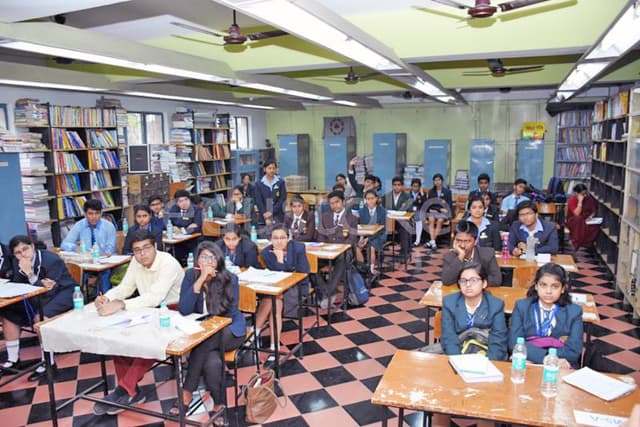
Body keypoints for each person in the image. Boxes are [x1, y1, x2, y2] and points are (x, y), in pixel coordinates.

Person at [92, 230, 184, 416]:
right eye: (137, 250)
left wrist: (122, 304)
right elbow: (126, 287)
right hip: (147, 310)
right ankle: (131, 390)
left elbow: (155, 296)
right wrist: (107, 298)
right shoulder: (136, 261)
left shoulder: (168, 263)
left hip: (174, 312)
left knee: (150, 342)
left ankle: (124, 389)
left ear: (155, 247)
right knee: (117, 338)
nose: (142, 254)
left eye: (146, 248)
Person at [174, 242, 245, 421]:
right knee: (212, 361)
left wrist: (212, 283)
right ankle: (219, 403)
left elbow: (228, 313)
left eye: (212, 257)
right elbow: (184, 309)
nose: (207, 261)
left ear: (219, 260)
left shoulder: (230, 278)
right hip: (204, 333)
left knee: (205, 342)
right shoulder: (190, 276)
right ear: (197, 260)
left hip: (229, 329)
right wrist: (200, 281)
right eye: (203, 257)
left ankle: (187, 390)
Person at [0, 235, 75, 381]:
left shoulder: (51, 259)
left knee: (40, 317)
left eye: (25, 249)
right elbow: (20, 285)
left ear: (33, 247)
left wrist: (30, 274)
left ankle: (48, 362)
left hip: (63, 293)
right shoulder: (16, 263)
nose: (23, 255)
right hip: (38, 297)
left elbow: (51, 291)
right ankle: (13, 359)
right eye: (18, 252)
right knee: (9, 314)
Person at [509, 263, 583, 368]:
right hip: (528, 362)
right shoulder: (522, 307)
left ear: (563, 289)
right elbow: (514, 343)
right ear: (536, 286)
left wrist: (548, 359)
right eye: (543, 285)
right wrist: (544, 358)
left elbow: (574, 351)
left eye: (555, 286)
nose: (548, 291)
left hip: (561, 365)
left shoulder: (574, 312)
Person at [256, 225, 310, 365]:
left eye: (282, 238)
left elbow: (304, 273)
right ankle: (274, 346)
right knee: (275, 299)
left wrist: (280, 261)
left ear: (288, 238)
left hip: (296, 288)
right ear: (270, 239)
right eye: (275, 238)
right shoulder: (266, 253)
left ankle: (254, 333)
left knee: (273, 298)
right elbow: (276, 278)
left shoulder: (298, 248)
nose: (279, 241)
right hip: (277, 291)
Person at [440, 262, 508, 361]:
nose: (468, 285)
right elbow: (448, 337)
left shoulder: (495, 305)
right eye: (463, 281)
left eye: (473, 280)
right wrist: (459, 361)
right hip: (457, 354)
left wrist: (487, 364)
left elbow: (498, 341)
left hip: (486, 355)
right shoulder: (449, 302)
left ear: (484, 283)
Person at [60, 198, 116, 292]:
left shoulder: (109, 226)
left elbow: (109, 250)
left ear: (101, 213)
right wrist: (75, 248)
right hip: (86, 263)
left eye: (97, 213)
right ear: (85, 214)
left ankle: (103, 297)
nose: (94, 217)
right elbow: (64, 244)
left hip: (105, 263)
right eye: (90, 214)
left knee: (104, 273)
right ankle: (81, 296)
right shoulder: (79, 225)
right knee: (76, 272)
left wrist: (97, 255)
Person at [316, 191, 358, 307]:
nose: (335, 205)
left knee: (342, 258)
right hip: (327, 252)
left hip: (344, 252)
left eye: (337, 202)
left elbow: (351, 240)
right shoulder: (325, 217)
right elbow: (320, 237)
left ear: (343, 202)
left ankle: (328, 293)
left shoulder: (352, 218)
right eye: (332, 203)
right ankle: (327, 291)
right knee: (308, 263)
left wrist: (337, 248)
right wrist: (326, 248)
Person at [441, 222, 502, 286]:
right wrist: (460, 256)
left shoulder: (487, 254)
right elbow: (446, 281)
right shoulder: (449, 257)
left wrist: (471, 281)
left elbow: (497, 280)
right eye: (458, 240)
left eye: (467, 241)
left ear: (475, 241)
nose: (462, 245)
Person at [168, 189, 203, 264]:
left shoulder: (196, 209)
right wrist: (174, 227)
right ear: (177, 203)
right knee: (171, 256)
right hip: (178, 242)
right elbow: (169, 222)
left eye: (186, 200)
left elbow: (196, 226)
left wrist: (181, 229)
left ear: (190, 200)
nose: (184, 203)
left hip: (194, 241)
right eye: (181, 201)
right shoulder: (174, 209)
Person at [357, 190, 387, 275]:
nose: (370, 201)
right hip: (365, 235)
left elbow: (381, 229)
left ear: (376, 199)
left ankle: (371, 269)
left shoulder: (382, 211)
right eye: (368, 199)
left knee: (371, 246)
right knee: (356, 247)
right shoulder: (361, 211)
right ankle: (361, 267)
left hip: (379, 235)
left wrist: (367, 239)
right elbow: (361, 226)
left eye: (372, 198)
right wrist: (361, 238)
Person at [566, 183, 600, 251]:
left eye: (585, 194)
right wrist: (580, 202)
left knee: (596, 226)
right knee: (578, 220)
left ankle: (586, 245)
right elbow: (576, 214)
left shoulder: (589, 199)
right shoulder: (572, 200)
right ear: (576, 193)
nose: (584, 196)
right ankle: (577, 243)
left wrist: (590, 217)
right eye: (582, 194)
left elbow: (593, 211)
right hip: (574, 220)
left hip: (586, 219)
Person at [425, 173, 454, 249]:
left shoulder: (447, 192)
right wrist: (439, 209)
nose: (437, 182)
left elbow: (449, 204)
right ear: (433, 182)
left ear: (442, 181)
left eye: (439, 180)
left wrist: (443, 210)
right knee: (431, 219)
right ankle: (433, 242)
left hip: (443, 214)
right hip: (433, 212)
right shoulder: (431, 192)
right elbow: (430, 204)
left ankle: (432, 241)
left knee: (440, 220)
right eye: (435, 180)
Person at [255, 160, 287, 225]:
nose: (272, 170)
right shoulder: (259, 184)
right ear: (264, 169)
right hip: (263, 216)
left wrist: (271, 212)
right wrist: (265, 214)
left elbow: (282, 199)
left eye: (273, 168)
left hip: (278, 215)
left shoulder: (281, 182)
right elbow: (259, 201)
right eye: (269, 168)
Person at [409, 178, 428, 246]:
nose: (415, 188)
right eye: (414, 186)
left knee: (418, 218)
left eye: (417, 186)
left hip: (420, 212)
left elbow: (426, 204)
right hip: (410, 212)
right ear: (411, 186)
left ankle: (417, 240)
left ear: (419, 187)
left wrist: (422, 194)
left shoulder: (422, 194)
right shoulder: (408, 194)